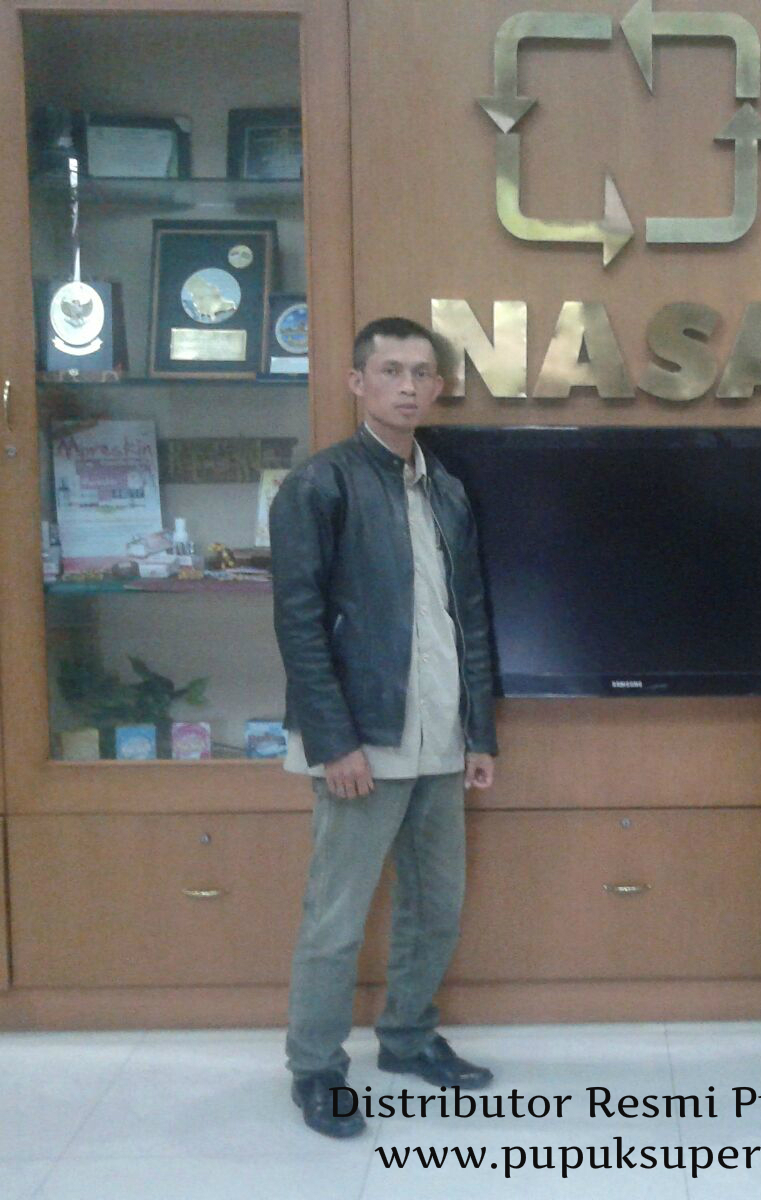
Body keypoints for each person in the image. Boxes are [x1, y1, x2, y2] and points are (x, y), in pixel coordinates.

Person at [270, 316, 499, 1138]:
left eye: (421, 373)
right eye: (391, 370)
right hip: (360, 738)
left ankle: (406, 1038)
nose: (408, 386)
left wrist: (479, 732)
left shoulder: (446, 489)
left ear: (437, 388)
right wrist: (334, 742)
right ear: (357, 382)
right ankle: (316, 1069)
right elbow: (298, 624)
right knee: (337, 918)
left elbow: (468, 615)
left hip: (440, 735)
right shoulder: (318, 485)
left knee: (436, 907)